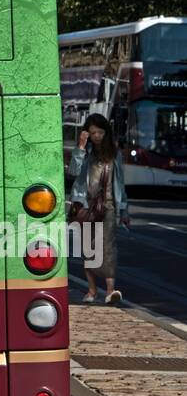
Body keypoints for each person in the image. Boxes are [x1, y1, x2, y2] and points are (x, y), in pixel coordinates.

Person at [68, 113, 130, 304]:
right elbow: (73, 171)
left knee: (107, 249)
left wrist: (124, 211)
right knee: (89, 249)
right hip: (86, 206)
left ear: (106, 132)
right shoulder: (84, 153)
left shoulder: (114, 154)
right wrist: (80, 146)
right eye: (93, 132)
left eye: (100, 132)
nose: (96, 136)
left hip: (108, 207)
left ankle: (110, 291)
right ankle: (92, 291)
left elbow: (120, 183)